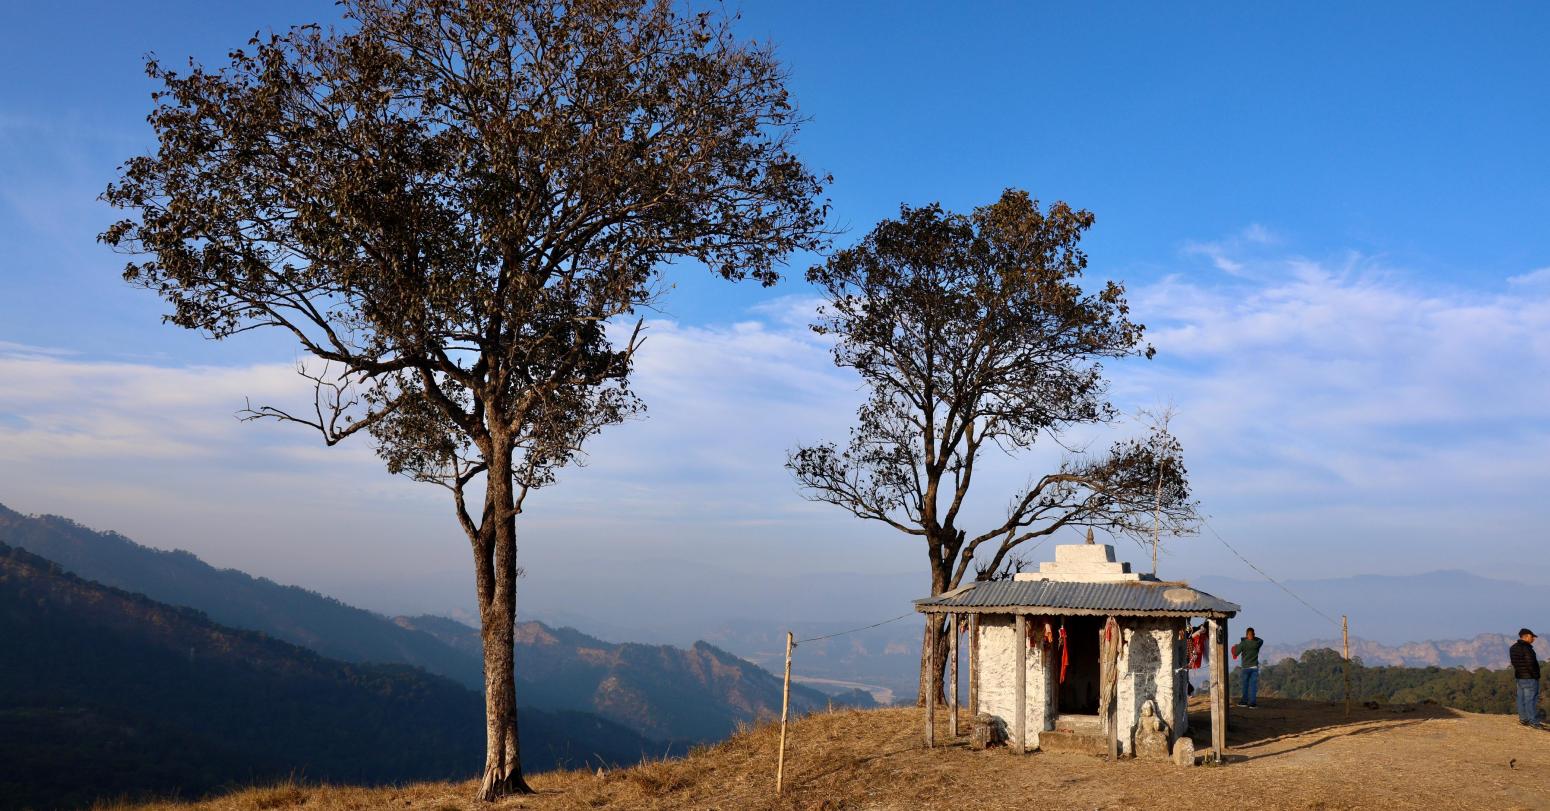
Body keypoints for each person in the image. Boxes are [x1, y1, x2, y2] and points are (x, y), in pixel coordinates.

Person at [1510, 628, 1541, 727]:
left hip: (1519, 677)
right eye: (1532, 637)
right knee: (1530, 700)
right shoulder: (1527, 648)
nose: (1533, 639)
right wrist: (1536, 675)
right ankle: (1533, 722)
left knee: (1521, 698)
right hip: (1530, 678)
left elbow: (1514, 663)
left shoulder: (1513, 648)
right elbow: (1531, 663)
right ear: (1527, 636)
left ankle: (1523, 719)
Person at [1232, 627, 1264, 708]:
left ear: (1246, 635)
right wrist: (1253, 637)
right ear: (1254, 634)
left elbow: (1235, 653)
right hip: (1254, 667)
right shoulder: (1257, 643)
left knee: (1245, 686)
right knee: (1253, 686)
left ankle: (1244, 702)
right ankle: (1253, 703)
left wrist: (1238, 644)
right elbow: (1261, 640)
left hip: (1245, 667)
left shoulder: (1243, 643)